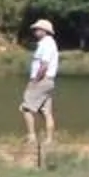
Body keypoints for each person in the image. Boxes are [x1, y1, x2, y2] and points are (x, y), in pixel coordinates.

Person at [21, 18, 59, 154]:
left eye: (37, 29)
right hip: (48, 81)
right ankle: (49, 139)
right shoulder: (46, 43)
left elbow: (44, 65)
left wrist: (34, 81)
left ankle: (31, 136)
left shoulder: (46, 44)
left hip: (42, 80)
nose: (35, 31)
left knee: (26, 107)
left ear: (44, 31)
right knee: (45, 111)